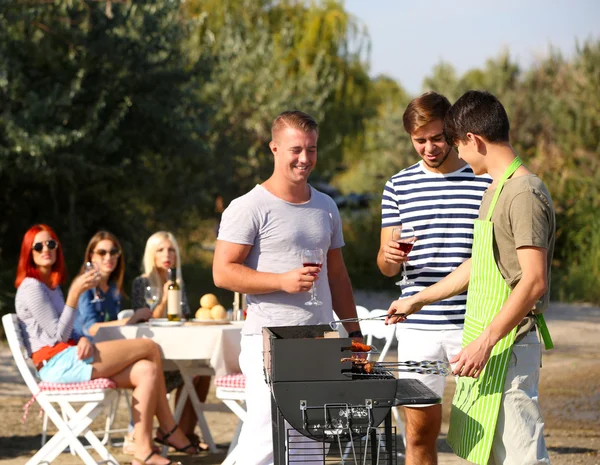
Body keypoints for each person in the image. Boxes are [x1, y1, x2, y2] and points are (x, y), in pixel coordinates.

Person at [387, 90, 555, 465]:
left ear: (474, 140)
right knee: (492, 457)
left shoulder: (524, 193)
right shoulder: (496, 190)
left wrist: (484, 343)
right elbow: (479, 264)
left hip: (509, 345)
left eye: (456, 144)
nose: (455, 154)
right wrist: (418, 300)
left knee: (522, 458)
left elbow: (534, 282)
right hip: (492, 346)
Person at [212, 110, 363, 465]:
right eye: (296, 149)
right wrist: (281, 281)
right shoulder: (249, 206)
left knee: (312, 444)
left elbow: (337, 276)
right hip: (269, 341)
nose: (305, 159)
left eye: (311, 150)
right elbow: (222, 273)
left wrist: (354, 333)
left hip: (320, 342)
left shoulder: (326, 206)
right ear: (274, 148)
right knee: (265, 442)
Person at [15, 224, 200, 465]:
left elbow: (68, 330)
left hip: (69, 356)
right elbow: (57, 335)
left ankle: (143, 448)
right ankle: (167, 427)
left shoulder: (50, 286)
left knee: (147, 369)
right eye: (38, 246)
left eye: (51, 244)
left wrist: (80, 337)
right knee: (149, 347)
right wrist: (74, 294)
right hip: (56, 365)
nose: (46, 249)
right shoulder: (32, 287)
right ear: (28, 252)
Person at [377, 91, 492, 465]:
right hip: (417, 329)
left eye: (437, 138)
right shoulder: (398, 186)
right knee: (419, 434)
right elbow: (387, 267)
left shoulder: (484, 180)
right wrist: (388, 256)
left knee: (481, 433)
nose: (428, 147)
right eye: (419, 140)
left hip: (472, 325)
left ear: (455, 132)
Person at [131, 231, 210, 451]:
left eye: (171, 249)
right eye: (161, 250)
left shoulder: (178, 282)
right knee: (194, 373)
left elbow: (183, 316)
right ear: (151, 254)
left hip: (178, 352)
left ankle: (183, 432)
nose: (167, 254)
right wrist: (166, 297)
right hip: (155, 357)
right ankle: (176, 433)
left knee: (202, 370)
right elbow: (144, 319)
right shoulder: (142, 283)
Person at [73, 231, 152, 340]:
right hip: (83, 349)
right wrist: (133, 319)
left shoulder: (113, 287)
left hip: (108, 343)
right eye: (102, 252)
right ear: (92, 256)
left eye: (113, 252)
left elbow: (112, 324)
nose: (108, 257)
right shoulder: (84, 285)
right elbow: (91, 329)